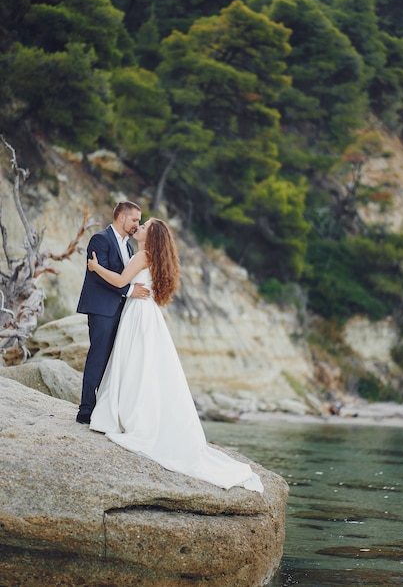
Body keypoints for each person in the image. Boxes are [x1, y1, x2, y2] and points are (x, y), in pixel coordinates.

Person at [87, 218, 263, 492]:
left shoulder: (143, 255)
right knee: (144, 366)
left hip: (138, 315)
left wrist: (96, 267)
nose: (139, 228)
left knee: (135, 364)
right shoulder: (152, 257)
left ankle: (128, 413)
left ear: (151, 237)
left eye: (143, 227)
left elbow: (121, 281)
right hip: (148, 315)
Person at [76, 201, 150, 425]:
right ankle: (85, 410)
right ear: (122, 218)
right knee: (98, 357)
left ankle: (104, 407)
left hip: (120, 310)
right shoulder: (100, 239)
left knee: (111, 360)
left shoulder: (128, 247)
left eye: (139, 221)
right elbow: (100, 275)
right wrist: (129, 291)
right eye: (135, 219)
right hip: (101, 308)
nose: (137, 224)